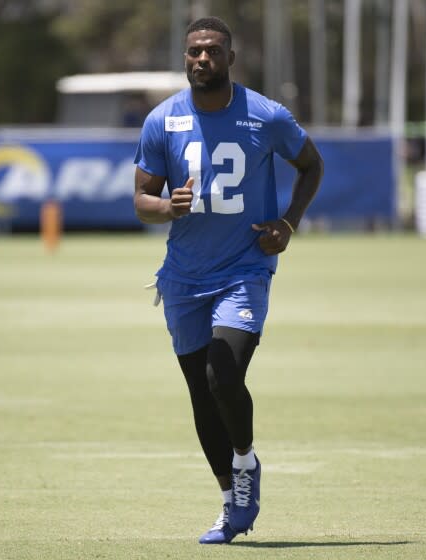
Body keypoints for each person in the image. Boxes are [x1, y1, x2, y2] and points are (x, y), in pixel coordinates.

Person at [133, 16, 323, 545]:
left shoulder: (266, 115)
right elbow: (141, 201)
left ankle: (246, 464)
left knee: (223, 374)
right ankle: (228, 500)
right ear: (184, 56)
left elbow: (312, 165)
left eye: (213, 51)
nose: (202, 59)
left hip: (244, 270)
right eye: (194, 51)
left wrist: (289, 223)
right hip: (183, 278)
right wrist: (164, 206)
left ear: (230, 58)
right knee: (201, 393)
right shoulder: (162, 121)